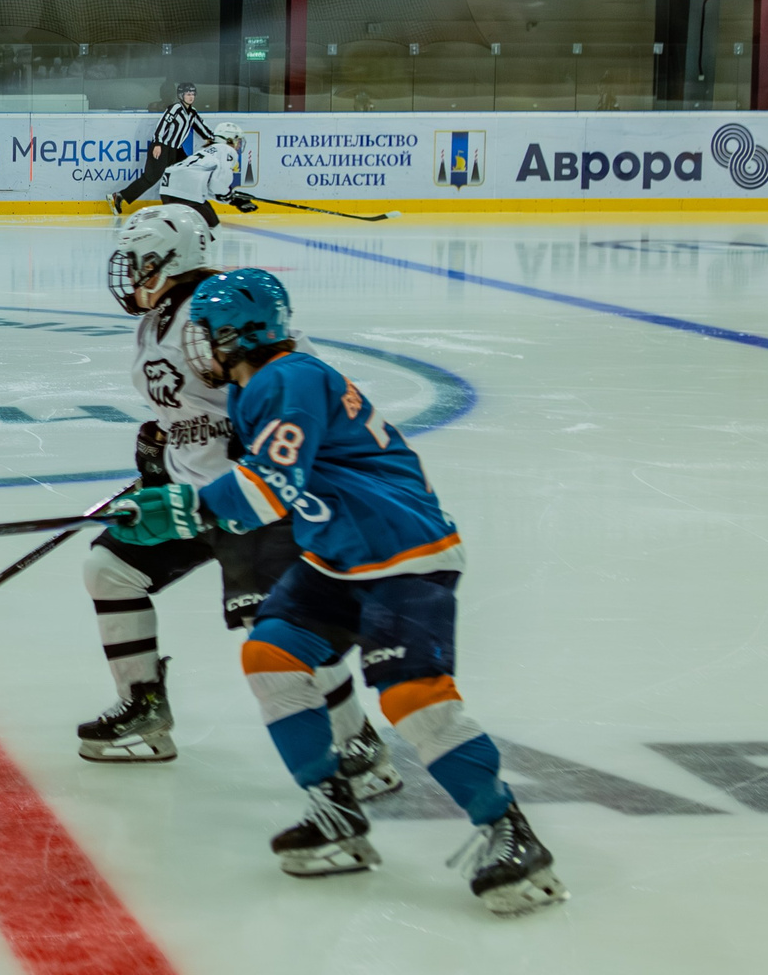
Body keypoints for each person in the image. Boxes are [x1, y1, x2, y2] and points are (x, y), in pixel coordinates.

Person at [104, 268, 566, 916]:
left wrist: (181, 510)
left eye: (206, 334)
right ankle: (335, 812)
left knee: (414, 700)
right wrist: (170, 487)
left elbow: (269, 488)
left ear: (239, 333)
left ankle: (511, 831)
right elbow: (251, 488)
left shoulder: (288, 379)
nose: (197, 346)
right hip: (339, 556)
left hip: (403, 552)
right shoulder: (252, 391)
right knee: (271, 654)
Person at [77, 208, 398, 800]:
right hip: (189, 498)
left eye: (139, 259)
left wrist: (259, 451)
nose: (128, 272)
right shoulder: (154, 322)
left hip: (253, 502)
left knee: (275, 627)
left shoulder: (228, 310)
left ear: (168, 261)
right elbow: (186, 409)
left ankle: (357, 741)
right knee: (108, 569)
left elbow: (298, 385)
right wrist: (161, 443)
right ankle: (143, 709)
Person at [112, 80, 208, 214]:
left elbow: (203, 129)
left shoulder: (192, 112)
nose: (191, 96)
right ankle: (120, 196)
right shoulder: (175, 109)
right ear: (181, 95)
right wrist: (157, 144)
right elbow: (162, 125)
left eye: (192, 94)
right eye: (187, 94)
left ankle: (176, 205)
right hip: (162, 146)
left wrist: (216, 139)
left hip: (176, 150)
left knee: (185, 172)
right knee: (151, 178)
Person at [154, 121, 257, 229]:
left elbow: (208, 185)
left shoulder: (208, 150)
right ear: (230, 139)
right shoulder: (227, 150)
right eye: (238, 140)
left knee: (180, 229)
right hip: (186, 191)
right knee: (212, 229)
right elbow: (217, 183)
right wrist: (230, 196)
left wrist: (231, 199)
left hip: (169, 187)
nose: (239, 145)